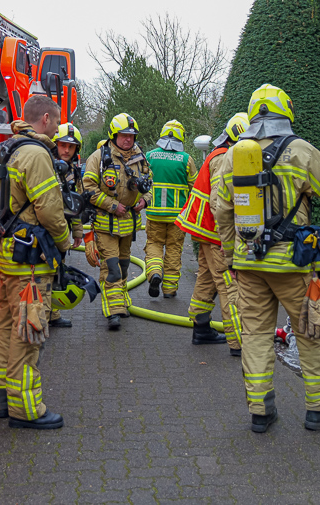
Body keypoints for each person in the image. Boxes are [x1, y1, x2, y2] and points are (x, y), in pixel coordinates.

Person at [214, 84, 320, 434]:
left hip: (249, 264)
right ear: (285, 112)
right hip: (292, 264)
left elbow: (221, 209)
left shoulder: (232, 156)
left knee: (255, 335)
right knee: (309, 332)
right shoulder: (299, 150)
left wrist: (231, 255)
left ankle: (260, 412)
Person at [0, 95, 69, 429]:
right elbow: (49, 209)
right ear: (46, 120)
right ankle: (25, 410)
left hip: (7, 254)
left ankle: (4, 398)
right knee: (28, 330)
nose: (57, 129)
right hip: (29, 260)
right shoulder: (36, 154)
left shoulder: (10, 146)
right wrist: (65, 240)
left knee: (7, 325)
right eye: (56, 121)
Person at [176, 113, 250, 354]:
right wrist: (226, 238)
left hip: (205, 230)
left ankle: (201, 328)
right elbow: (218, 202)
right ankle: (238, 343)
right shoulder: (226, 158)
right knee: (229, 285)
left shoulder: (219, 153)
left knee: (207, 278)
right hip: (215, 233)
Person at [82, 113, 152, 330]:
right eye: (123, 135)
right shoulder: (98, 158)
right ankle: (113, 312)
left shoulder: (140, 158)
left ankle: (121, 302)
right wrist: (112, 205)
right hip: (106, 224)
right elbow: (88, 189)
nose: (128, 140)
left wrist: (145, 201)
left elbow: (150, 184)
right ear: (113, 135)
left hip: (129, 225)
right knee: (111, 267)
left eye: (131, 136)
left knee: (123, 266)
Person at [144, 120, 198, 298]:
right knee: (174, 250)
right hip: (177, 218)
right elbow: (195, 187)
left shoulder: (150, 156)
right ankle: (169, 289)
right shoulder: (186, 160)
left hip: (154, 214)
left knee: (154, 244)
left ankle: (154, 273)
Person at [48, 123, 85, 328]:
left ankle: (52, 313)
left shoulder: (74, 171)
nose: (66, 150)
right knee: (47, 271)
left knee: (58, 270)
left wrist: (77, 231)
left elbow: (76, 203)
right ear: (56, 145)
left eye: (71, 147)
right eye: (63, 145)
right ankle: (44, 315)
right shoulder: (47, 166)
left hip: (64, 230)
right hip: (47, 228)